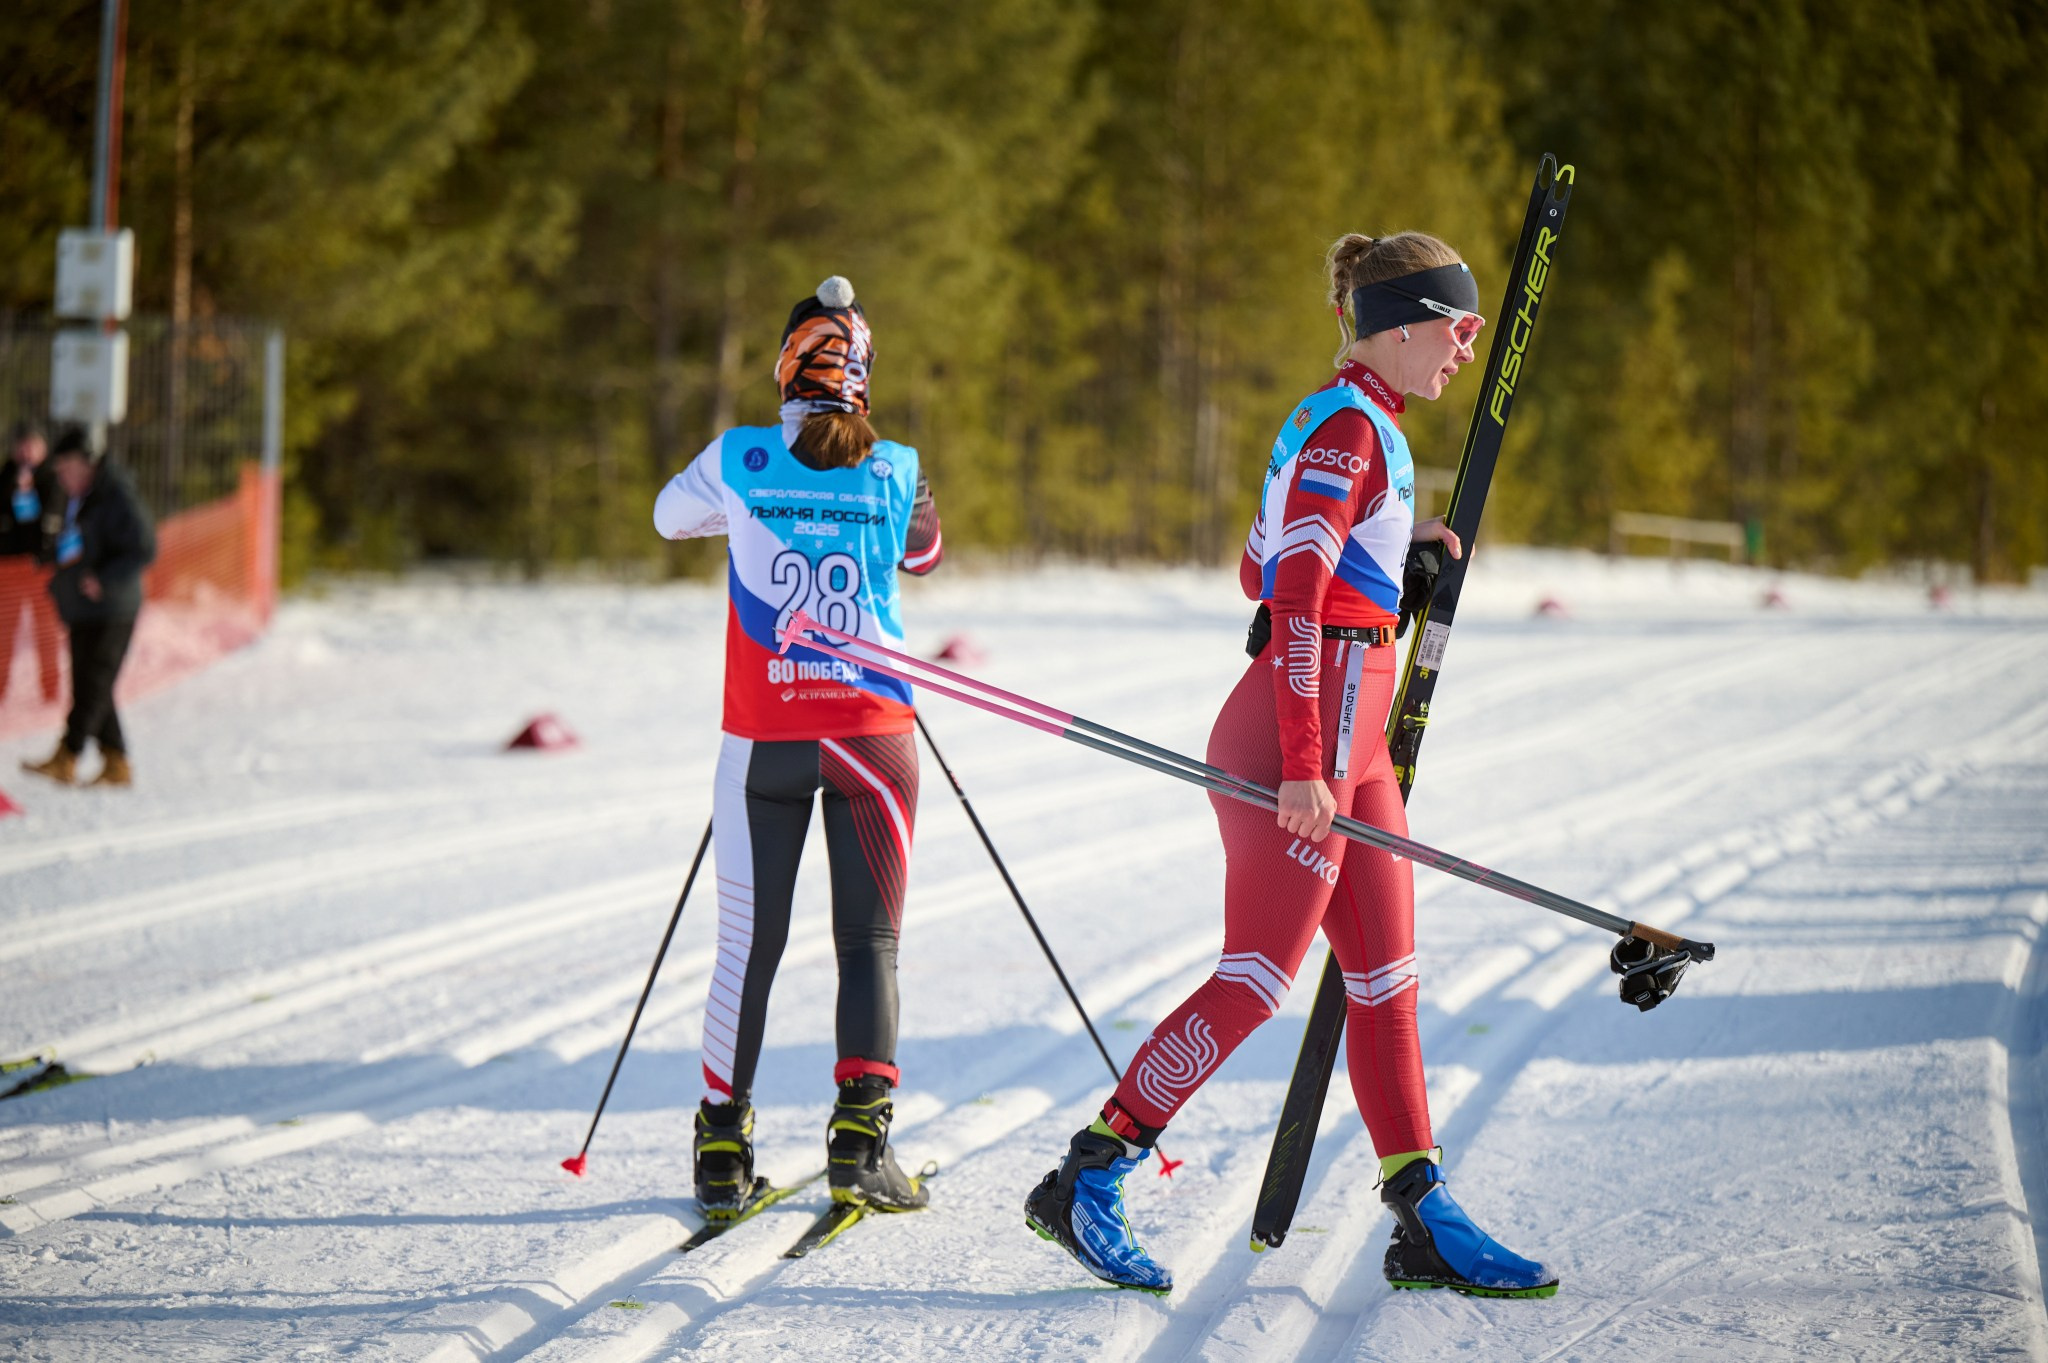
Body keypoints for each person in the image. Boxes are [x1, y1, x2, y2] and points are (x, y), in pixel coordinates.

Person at [1025, 232, 1557, 1298]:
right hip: (1296, 736)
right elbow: (1292, 596)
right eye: (1457, 330)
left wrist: (1391, 558)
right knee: (1257, 978)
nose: (1465, 351)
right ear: (1401, 324)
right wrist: (1307, 761)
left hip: (1353, 736)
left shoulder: (1355, 424)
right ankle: (1089, 1172)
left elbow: (1259, 562)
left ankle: (1421, 1211)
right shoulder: (1349, 428)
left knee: (1387, 979)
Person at [653, 275, 944, 1222]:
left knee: (748, 945)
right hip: (873, 734)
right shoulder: (896, 465)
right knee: (870, 942)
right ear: (863, 373)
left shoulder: (738, 456)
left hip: (764, 737)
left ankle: (721, 1149)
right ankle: (860, 1143)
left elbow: (667, 517)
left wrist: (752, 512)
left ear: (786, 367)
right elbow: (924, 555)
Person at [20, 429, 157, 788]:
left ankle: (69, 754)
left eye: (66, 468)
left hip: (114, 608)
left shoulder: (116, 494)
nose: (62, 477)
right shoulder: (81, 497)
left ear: (84, 463)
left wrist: (104, 578)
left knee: (93, 682)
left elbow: (144, 547)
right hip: (83, 609)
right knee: (91, 684)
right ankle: (116, 761)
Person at [0, 421, 64, 705]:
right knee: (4, 632)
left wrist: (28, 494)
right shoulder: (6, 476)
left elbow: (53, 521)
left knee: (46, 631)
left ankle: (50, 689)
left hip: (41, 570)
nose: (26, 452)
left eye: (32, 445)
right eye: (21, 446)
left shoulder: (52, 478)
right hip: (9, 571)